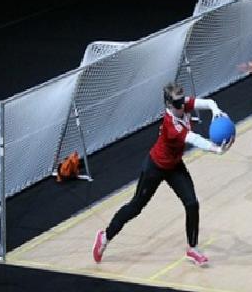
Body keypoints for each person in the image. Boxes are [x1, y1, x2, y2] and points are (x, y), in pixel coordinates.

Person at [92, 83, 233, 266]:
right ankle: (105, 237)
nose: (182, 105)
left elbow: (208, 102)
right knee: (136, 206)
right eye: (177, 103)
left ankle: (192, 249)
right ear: (168, 104)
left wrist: (216, 111)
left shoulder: (181, 105)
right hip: (155, 167)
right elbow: (195, 139)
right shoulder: (171, 125)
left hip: (174, 166)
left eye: (182, 100)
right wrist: (217, 149)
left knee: (192, 203)